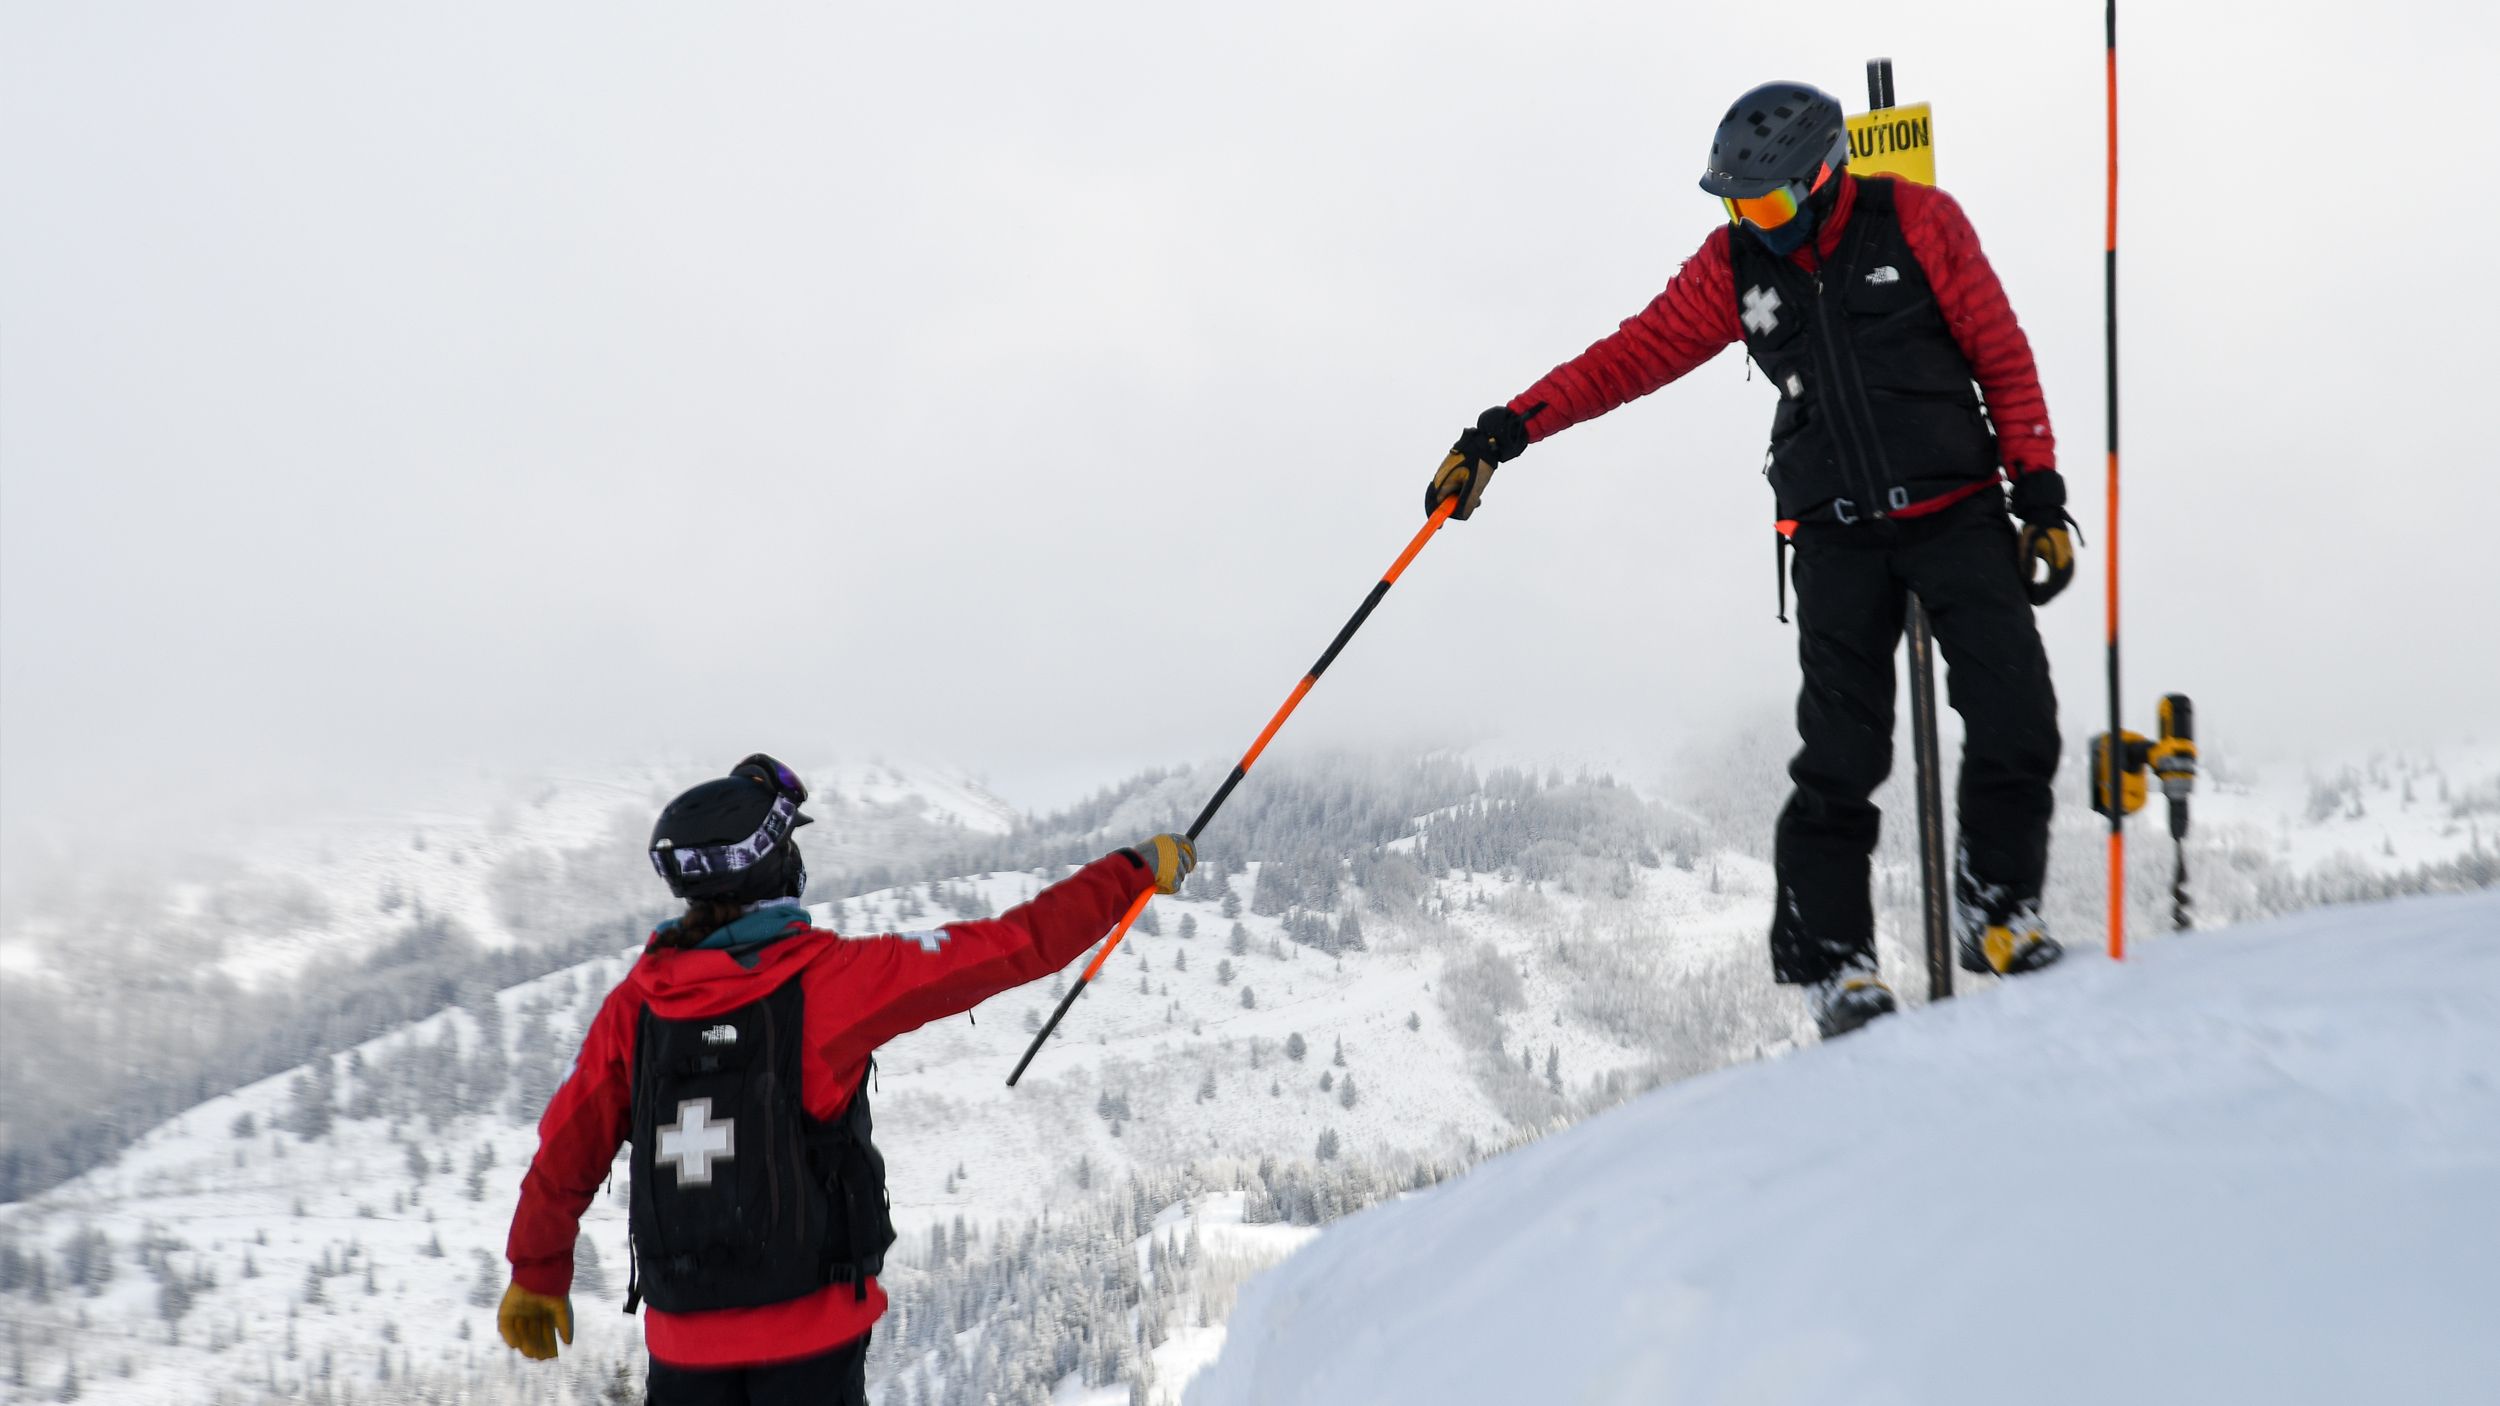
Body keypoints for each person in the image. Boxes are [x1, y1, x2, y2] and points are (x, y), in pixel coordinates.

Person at [1426, 81, 2076, 1038]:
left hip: (1958, 510)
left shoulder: (1920, 222)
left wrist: (2041, 493)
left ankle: (1999, 911)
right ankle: (1835, 966)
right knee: (1842, 756)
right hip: (1834, 532)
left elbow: (2002, 354)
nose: (1753, 223)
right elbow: (1630, 356)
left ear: (1824, 177)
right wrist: (1506, 432)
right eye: (1735, 205)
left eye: (1768, 203)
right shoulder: (1736, 266)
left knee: (2017, 715)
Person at [493, 753, 1195, 1402]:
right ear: (773, 868)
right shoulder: (832, 982)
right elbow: (1016, 944)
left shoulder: (636, 1007)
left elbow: (566, 1150)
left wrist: (536, 1270)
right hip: (812, 1336)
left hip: (682, 1345)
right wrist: (1131, 869)